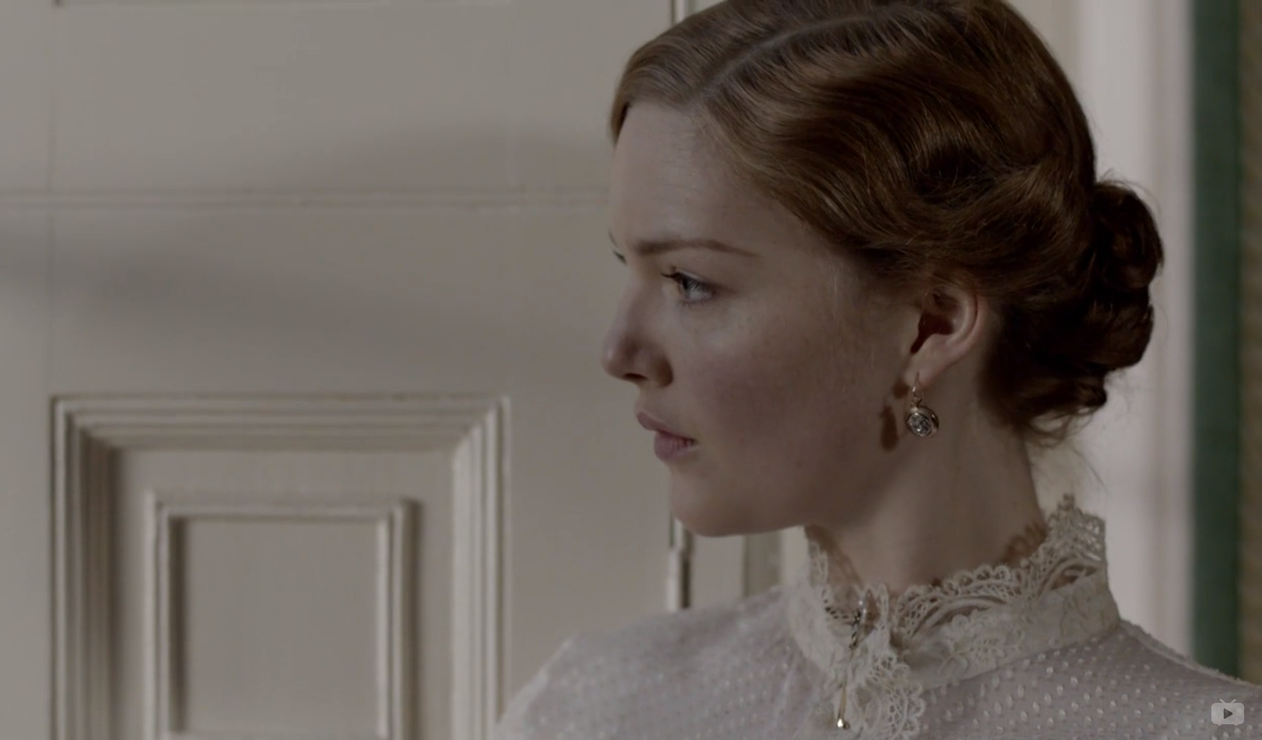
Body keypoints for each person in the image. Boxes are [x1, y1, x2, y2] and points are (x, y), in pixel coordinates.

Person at [493, 1, 1262, 738]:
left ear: (932, 325)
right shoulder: (593, 711)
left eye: (690, 282)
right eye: (628, 265)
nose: (618, 352)